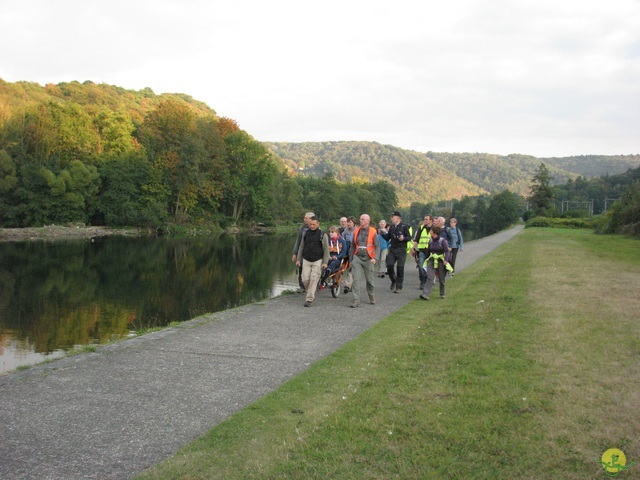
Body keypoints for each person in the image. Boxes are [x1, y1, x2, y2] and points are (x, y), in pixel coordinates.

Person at [296, 216, 329, 307]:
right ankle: (310, 291)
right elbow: (301, 247)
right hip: (306, 259)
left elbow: (326, 249)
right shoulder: (306, 233)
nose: (312, 226)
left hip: (317, 260)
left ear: (318, 224)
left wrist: (325, 262)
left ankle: (309, 299)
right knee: (305, 279)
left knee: (314, 278)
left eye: (314, 224)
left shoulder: (323, 235)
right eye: (310, 224)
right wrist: (299, 259)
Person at [349, 214, 380, 307]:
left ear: (367, 221)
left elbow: (377, 246)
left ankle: (371, 295)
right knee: (355, 279)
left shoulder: (373, 231)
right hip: (357, 257)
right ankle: (356, 300)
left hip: (369, 258)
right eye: (360, 219)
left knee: (369, 280)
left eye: (362, 219)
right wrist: (351, 259)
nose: (360, 220)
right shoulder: (356, 230)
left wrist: (375, 258)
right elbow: (353, 246)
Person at [420, 226, 452, 301]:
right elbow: (428, 251)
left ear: (434, 232)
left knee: (441, 278)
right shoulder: (430, 240)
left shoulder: (442, 241)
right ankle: (425, 294)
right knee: (430, 277)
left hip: (440, 261)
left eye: (431, 231)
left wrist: (446, 260)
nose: (430, 232)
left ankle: (442, 293)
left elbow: (447, 251)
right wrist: (425, 260)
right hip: (431, 260)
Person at [382, 211, 411, 293]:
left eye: (393, 216)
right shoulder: (392, 227)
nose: (391, 218)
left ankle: (399, 286)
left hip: (401, 249)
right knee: (389, 266)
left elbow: (409, 237)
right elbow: (388, 237)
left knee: (400, 268)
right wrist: (382, 234)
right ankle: (393, 280)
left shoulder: (404, 226)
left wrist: (403, 238)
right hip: (393, 249)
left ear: (398, 218)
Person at [291, 212, 315, 292]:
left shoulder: (316, 228)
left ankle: (311, 287)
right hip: (302, 252)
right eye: (304, 218)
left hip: (312, 253)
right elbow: (298, 241)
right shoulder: (303, 228)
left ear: (311, 219)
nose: (304, 219)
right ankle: (302, 287)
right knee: (301, 268)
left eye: (306, 218)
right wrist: (295, 253)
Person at [412, 214, 433, 289]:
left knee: (429, 267)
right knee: (421, 267)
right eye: (424, 219)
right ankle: (422, 281)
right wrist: (413, 248)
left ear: (431, 220)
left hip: (431, 251)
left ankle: (428, 281)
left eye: (426, 219)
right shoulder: (421, 228)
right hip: (422, 250)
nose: (425, 220)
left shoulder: (434, 228)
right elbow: (416, 240)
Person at [341, 216, 356, 294]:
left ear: (354, 223)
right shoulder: (345, 231)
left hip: (354, 251)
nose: (348, 224)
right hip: (346, 250)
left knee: (351, 268)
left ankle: (347, 285)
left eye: (350, 222)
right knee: (344, 267)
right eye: (348, 222)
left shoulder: (357, 230)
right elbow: (342, 240)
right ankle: (348, 283)